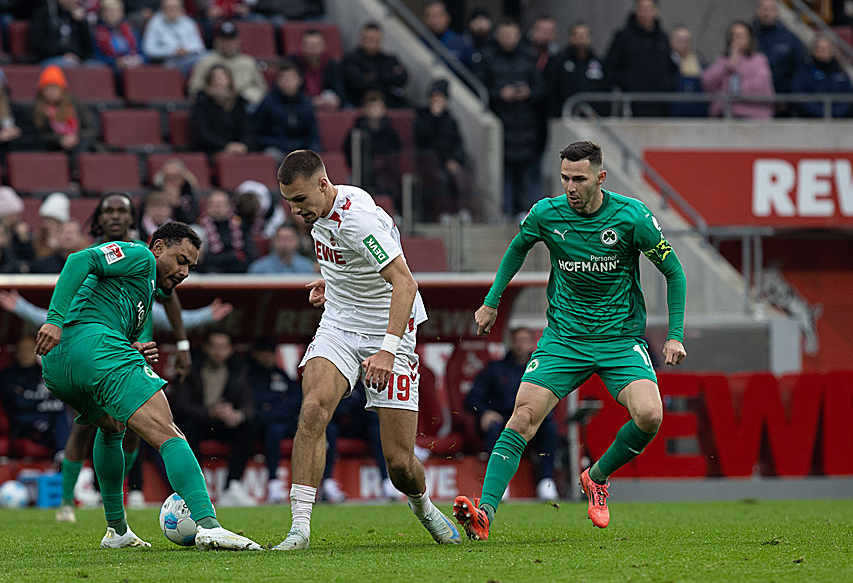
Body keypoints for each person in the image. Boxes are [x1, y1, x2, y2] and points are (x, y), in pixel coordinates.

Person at [452, 140, 687, 541]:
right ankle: (485, 514)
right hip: (563, 340)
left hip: (619, 341)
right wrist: (491, 302)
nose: (570, 187)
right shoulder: (547, 213)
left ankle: (596, 477)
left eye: (579, 179)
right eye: (564, 178)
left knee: (650, 416)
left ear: (600, 177)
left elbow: (675, 273)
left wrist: (675, 335)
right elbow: (516, 249)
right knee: (522, 417)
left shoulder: (633, 217)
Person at [271, 149, 461, 550]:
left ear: (323, 184)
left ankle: (424, 507)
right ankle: (299, 529)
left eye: (300, 200)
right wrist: (332, 282)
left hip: (389, 329)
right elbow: (348, 261)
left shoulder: (358, 221)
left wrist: (388, 350)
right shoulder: (321, 211)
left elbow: (405, 285)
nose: (294, 210)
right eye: (288, 201)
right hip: (340, 322)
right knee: (312, 410)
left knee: (399, 463)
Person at [35, 221, 261, 550]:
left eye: (191, 267)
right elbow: (78, 260)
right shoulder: (139, 254)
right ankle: (208, 524)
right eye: (181, 260)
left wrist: (134, 347)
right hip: (88, 344)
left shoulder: (141, 288)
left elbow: (104, 311)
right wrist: (54, 319)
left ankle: (117, 530)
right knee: (169, 433)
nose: (184, 271)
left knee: (112, 427)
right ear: (158, 248)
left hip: (60, 366)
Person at [245, 336, 345, 504]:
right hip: (267, 425)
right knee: (274, 429)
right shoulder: (250, 375)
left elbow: (298, 398)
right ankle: (274, 483)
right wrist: (279, 406)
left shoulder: (280, 374)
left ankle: (327, 481)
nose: (269, 356)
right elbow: (258, 405)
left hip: (288, 419)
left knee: (328, 428)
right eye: (265, 353)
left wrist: (276, 406)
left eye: (272, 352)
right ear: (256, 354)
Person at [464, 327, 560, 501]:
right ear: (510, 342)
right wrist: (485, 412)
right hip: (501, 422)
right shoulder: (494, 369)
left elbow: (553, 397)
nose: (520, 345)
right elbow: (472, 399)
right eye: (517, 340)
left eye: (524, 340)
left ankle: (546, 481)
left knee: (550, 427)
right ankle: (499, 483)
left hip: (531, 423)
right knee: (494, 427)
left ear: (532, 343)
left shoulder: (541, 369)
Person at [169, 330, 259, 507]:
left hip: (224, 423)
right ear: (205, 348)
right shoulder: (189, 368)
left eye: (223, 347)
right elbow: (179, 406)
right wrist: (208, 412)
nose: (218, 352)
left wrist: (237, 415)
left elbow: (249, 405)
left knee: (249, 425)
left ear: (230, 350)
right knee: (187, 426)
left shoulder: (238, 370)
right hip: (200, 421)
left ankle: (233, 485)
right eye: (214, 347)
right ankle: (198, 485)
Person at [476, 17, 545, 219]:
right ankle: (504, 211)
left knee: (527, 173)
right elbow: (479, 87)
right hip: (502, 125)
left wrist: (528, 92)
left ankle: (528, 213)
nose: (508, 39)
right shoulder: (489, 58)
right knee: (503, 174)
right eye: (504, 35)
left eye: (512, 35)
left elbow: (541, 89)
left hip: (527, 125)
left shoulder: (528, 58)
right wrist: (499, 93)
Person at [604, 0, 677, 118]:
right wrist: (628, 85)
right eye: (642, 9)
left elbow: (670, 66)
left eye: (649, 8)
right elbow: (610, 66)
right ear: (636, 11)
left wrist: (667, 85)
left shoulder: (662, 37)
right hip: (633, 103)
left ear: (656, 11)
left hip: (660, 103)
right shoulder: (623, 37)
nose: (646, 13)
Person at [0, 335, 70, 457]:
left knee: (62, 414)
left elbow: (57, 398)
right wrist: (44, 404)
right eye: (21, 349)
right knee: (50, 425)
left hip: (47, 416)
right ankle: (63, 457)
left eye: (28, 349)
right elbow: (18, 402)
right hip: (23, 420)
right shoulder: (7, 375)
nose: (24, 354)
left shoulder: (44, 373)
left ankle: (64, 455)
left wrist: (45, 404)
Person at [413, 79, 467, 222]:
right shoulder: (422, 118)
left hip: (448, 161)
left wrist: (456, 159)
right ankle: (441, 213)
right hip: (428, 162)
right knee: (440, 178)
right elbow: (424, 139)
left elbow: (458, 142)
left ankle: (459, 211)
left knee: (457, 176)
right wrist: (434, 118)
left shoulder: (450, 120)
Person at [701, 21, 775, 119]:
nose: (735, 39)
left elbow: (762, 87)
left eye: (740, 36)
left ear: (749, 38)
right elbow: (707, 82)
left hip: (752, 116)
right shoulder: (723, 60)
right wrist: (727, 65)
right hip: (724, 115)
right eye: (733, 36)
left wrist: (734, 91)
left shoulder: (759, 59)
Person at [187, 21, 269, 110]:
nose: (227, 44)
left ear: (237, 41)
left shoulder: (248, 62)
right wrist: (213, 92)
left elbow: (262, 90)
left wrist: (243, 96)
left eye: (231, 40)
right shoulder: (206, 61)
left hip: (246, 105)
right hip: (214, 106)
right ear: (217, 41)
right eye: (224, 40)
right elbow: (194, 89)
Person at [31, 65, 99, 171]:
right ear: (42, 91)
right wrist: (60, 139)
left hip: (77, 144)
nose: (52, 92)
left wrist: (75, 137)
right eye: (48, 89)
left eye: (55, 88)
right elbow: (39, 134)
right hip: (52, 147)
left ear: (62, 90)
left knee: (85, 144)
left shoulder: (75, 105)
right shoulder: (37, 109)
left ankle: (78, 172)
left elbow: (90, 128)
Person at [252, 61, 321, 164]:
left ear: (299, 80)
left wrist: (311, 150)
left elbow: (313, 134)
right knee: (273, 156)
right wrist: (279, 143)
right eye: (284, 79)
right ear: (278, 81)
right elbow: (256, 133)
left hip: (300, 148)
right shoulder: (268, 102)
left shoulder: (306, 104)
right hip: (276, 148)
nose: (288, 82)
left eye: (292, 78)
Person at [751, 0, 807, 115]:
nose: (767, 13)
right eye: (763, 8)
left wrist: (789, 97)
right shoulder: (748, 37)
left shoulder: (790, 39)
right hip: (752, 103)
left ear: (777, 12)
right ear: (757, 11)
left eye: (770, 9)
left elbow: (799, 69)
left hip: (783, 103)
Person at [343, 89, 401, 203]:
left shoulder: (389, 130)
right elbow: (347, 150)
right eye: (371, 107)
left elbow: (395, 151)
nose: (375, 111)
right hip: (362, 173)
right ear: (365, 109)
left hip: (385, 172)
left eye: (378, 107)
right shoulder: (357, 130)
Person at [544, 21, 610, 118]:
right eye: (578, 35)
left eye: (585, 36)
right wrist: (558, 115)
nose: (582, 39)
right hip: (566, 118)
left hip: (594, 119)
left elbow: (606, 91)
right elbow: (552, 93)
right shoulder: (558, 63)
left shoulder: (599, 64)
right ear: (571, 38)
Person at [28, 0, 95, 67]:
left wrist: (82, 24)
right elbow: (37, 44)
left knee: (97, 67)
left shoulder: (80, 17)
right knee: (69, 64)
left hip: (78, 59)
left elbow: (89, 49)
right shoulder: (44, 14)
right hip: (49, 59)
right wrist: (64, 53)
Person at [342, 22, 409, 108]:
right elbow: (358, 83)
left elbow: (403, 77)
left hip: (389, 101)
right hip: (360, 102)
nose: (372, 43)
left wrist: (374, 76)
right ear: (362, 39)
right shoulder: (351, 59)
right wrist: (387, 78)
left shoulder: (390, 59)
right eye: (369, 39)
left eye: (375, 39)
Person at [191, 65, 253, 156]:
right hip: (212, 149)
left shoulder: (240, 102)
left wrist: (244, 145)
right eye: (215, 78)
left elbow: (248, 129)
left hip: (240, 149)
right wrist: (225, 146)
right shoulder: (202, 102)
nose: (220, 81)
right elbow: (202, 132)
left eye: (223, 77)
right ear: (209, 82)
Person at [142, 0, 207, 78]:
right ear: (162, 9)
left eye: (175, 7)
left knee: (209, 56)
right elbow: (148, 49)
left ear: (182, 9)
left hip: (188, 59)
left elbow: (199, 46)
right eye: (168, 7)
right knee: (205, 61)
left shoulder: (188, 22)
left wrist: (185, 50)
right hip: (167, 62)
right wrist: (173, 51)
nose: (172, 10)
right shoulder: (155, 22)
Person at [792, 35, 853, 118]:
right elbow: (799, 96)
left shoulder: (841, 73)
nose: (824, 52)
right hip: (810, 121)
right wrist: (820, 113)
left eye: (828, 49)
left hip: (839, 121)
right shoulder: (804, 73)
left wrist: (835, 114)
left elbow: (851, 98)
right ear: (814, 51)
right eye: (821, 49)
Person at [194, 189, 258, 273]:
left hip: (240, 273)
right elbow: (201, 260)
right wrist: (233, 256)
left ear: (229, 207)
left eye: (221, 204)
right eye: (213, 204)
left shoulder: (240, 226)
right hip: (210, 275)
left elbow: (251, 255)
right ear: (207, 207)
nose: (217, 208)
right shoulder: (199, 228)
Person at [290, 30, 345, 112]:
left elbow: (340, 89)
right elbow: (289, 91)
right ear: (302, 46)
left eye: (316, 45)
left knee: (349, 108)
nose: (312, 50)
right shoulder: (292, 63)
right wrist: (311, 101)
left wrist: (337, 100)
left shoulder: (331, 64)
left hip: (327, 104)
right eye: (309, 45)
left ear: (323, 46)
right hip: (300, 105)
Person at [92, 0, 145, 75]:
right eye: (108, 10)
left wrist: (139, 60)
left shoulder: (131, 30)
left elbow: (143, 55)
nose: (112, 14)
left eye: (116, 10)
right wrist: (115, 62)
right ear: (102, 13)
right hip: (109, 71)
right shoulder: (96, 32)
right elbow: (96, 56)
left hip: (132, 70)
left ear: (122, 13)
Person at [668, 25, 710, 118]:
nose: (683, 43)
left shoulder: (699, 63)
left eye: (686, 40)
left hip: (697, 114)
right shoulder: (665, 63)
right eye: (679, 39)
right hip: (673, 115)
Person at [0, 185, 35, 264]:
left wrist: (24, 241)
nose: (18, 218)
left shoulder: (20, 234)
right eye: (13, 215)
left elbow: (30, 259)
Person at [248, 224, 317, 274]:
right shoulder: (258, 269)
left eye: (289, 239)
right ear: (273, 241)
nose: (284, 243)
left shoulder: (308, 267)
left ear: (297, 242)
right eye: (280, 239)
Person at [422, 0, 473, 67]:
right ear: (425, 19)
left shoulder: (462, 43)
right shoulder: (419, 42)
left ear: (447, 18)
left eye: (439, 15)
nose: (435, 21)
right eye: (430, 16)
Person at [152, 159, 200, 225]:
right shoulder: (154, 194)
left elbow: (190, 220)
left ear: (183, 180)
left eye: (175, 178)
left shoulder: (189, 194)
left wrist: (177, 205)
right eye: (168, 178)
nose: (171, 182)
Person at [32, 192, 71, 261]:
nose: (46, 224)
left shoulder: (71, 237)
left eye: (50, 220)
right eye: (45, 219)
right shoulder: (40, 237)